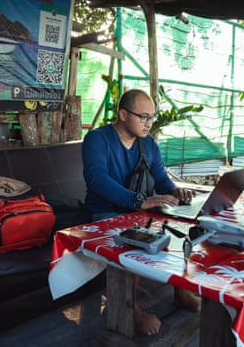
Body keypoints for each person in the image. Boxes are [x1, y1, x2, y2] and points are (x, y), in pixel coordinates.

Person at [82, 88, 200, 336]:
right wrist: (139, 201)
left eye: (152, 117)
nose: (149, 123)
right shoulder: (97, 139)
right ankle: (132, 311)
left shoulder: (148, 144)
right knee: (134, 243)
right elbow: (96, 179)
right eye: (143, 117)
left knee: (181, 231)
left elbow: (161, 180)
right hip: (106, 214)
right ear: (123, 114)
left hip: (139, 212)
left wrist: (177, 192)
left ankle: (180, 292)